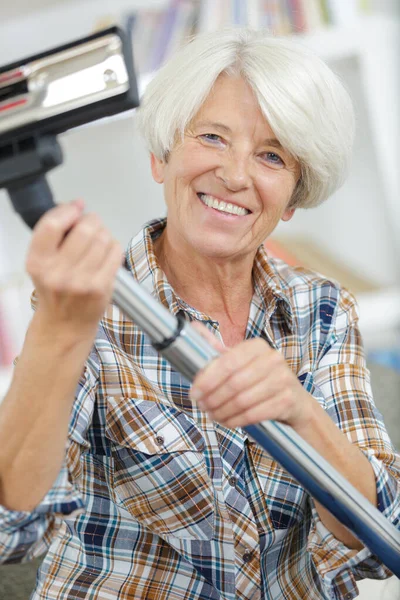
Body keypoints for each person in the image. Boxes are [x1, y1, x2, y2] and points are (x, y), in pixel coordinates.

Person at [0, 28, 399, 600]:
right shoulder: (88, 304)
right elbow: (9, 533)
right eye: (212, 137)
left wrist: (300, 414)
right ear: (162, 157)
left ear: (291, 199)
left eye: (270, 155)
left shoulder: (322, 310)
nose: (235, 176)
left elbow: (382, 538)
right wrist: (60, 334)